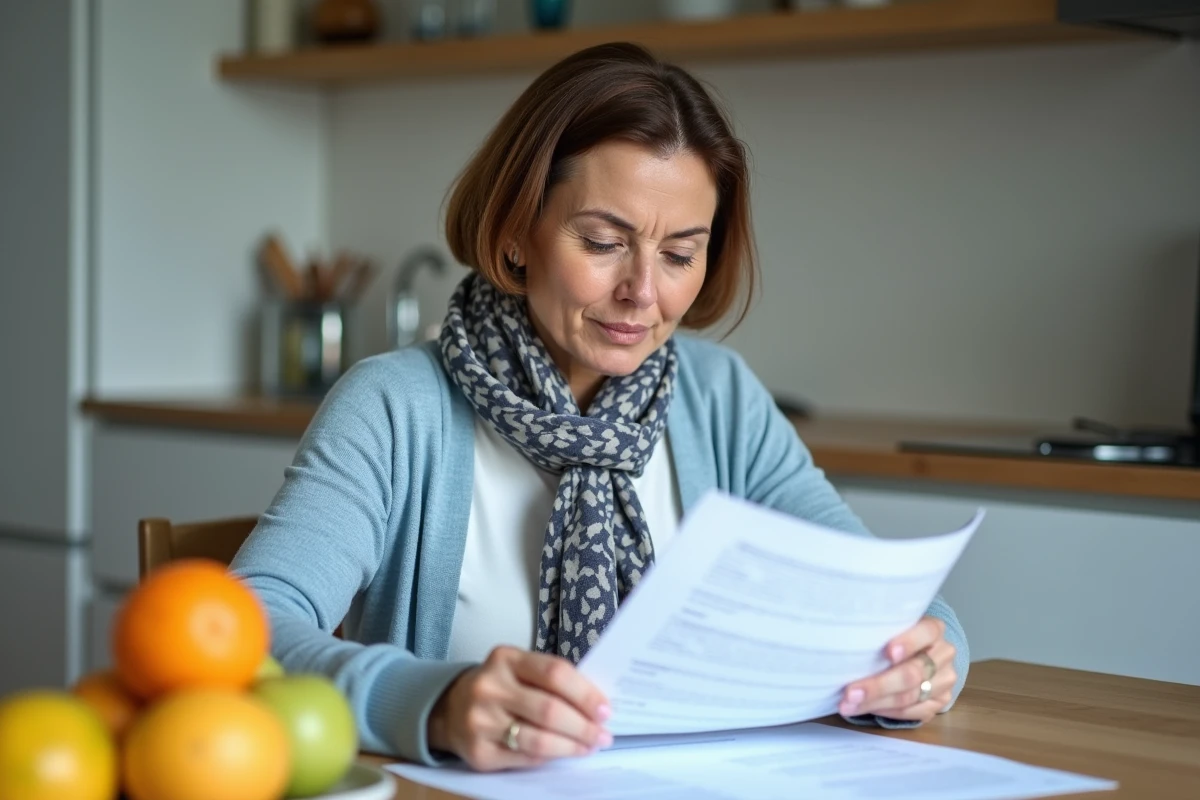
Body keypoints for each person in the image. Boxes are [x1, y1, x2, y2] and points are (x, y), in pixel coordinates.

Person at [230, 41, 968, 772]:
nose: (643, 292)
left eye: (680, 254)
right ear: (518, 231)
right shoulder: (396, 407)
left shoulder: (719, 397)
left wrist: (930, 656)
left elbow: (875, 595)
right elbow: (246, 632)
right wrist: (434, 702)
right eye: (604, 242)